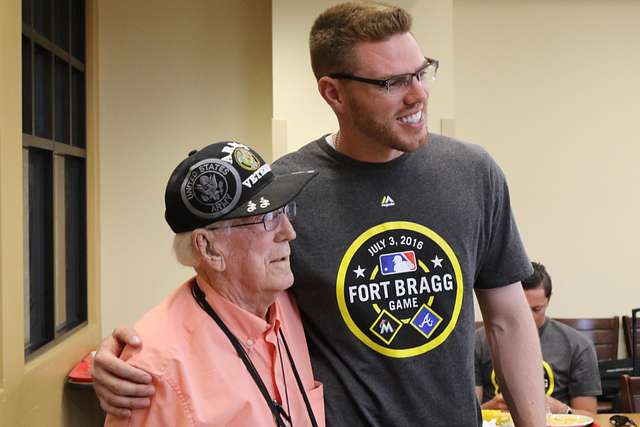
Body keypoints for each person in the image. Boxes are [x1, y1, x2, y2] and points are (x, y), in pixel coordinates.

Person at [92, 3, 546, 426]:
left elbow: (507, 320)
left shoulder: (473, 173)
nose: (418, 95)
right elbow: (223, 282)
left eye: (421, 73)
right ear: (333, 93)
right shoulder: (288, 188)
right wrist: (135, 356)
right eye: (392, 83)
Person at [103, 141, 324, 426]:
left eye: (284, 211)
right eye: (267, 218)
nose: (289, 232)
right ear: (209, 249)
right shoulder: (157, 372)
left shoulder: (288, 302)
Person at [475, 261, 602, 417]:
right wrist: (490, 407)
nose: (527, 318)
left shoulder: (578, 345)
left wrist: (559, 408)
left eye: (536, 309)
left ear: (548, 300)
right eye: (520, 309)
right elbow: (466, 414)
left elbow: (589, 416)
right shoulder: (478, 342)